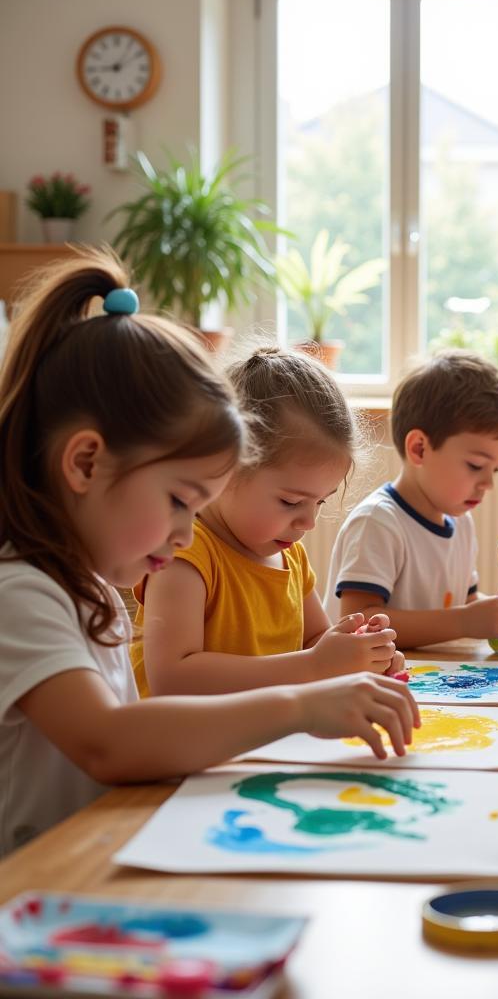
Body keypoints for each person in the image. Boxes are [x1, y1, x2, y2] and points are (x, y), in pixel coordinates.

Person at [0, 250, 417, 857]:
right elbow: (109, 743)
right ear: (86, 463)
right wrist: (302, 701)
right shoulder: (21, 594)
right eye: (178, 500)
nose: (183, 531)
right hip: (33, 893)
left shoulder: (84, 590)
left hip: (98, 856)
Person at [133, 346, 400, 696]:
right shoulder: (185, 554)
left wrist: (358, 653)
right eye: (290, 501)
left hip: (265, 738)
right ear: (224, 468)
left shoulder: (290, 557)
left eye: (320, 501)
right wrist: (316, 664)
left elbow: (315, 641)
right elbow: (172, 677)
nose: (308, 521)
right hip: (185, 746)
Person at [326, 350, 498, 649]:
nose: (488, 483)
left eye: (496, 469)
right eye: (476, 466)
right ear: (420, 449)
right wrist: (466, 621)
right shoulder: (378, 522)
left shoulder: (461, 523)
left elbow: (464, 602)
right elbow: (361, 621)